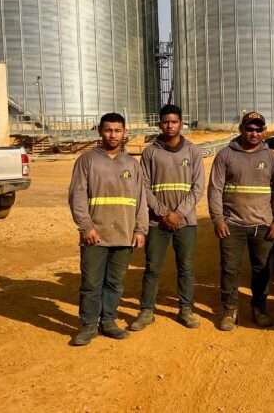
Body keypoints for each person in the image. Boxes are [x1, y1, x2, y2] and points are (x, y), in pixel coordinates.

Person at [67, 112, 148, 346]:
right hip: (95, 235)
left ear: (125, 133)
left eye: (117, 130)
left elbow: (140, 199)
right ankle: (89, 325)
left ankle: (109, 321)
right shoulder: (87, 160)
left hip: (124, 234)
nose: (113, 135)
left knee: (115, 282)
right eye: (108, 130)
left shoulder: (132, 164)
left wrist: (140, 229)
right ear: (100, 131)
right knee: (91, 282)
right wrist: (86, 227)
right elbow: (77, 196)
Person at [130, 104, 204, 332]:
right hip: (157, 221)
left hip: (186, 221)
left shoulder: (193, 151)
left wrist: (179, 213)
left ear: (181, 123)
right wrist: (163, 213)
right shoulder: (151, 152)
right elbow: (143, 186)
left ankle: (186, 309)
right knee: (152, 267)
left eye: (174, 121)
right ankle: (146, 311)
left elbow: (198, 186)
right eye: (165, 122)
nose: (170, 126)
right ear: (159, 124)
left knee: (186, 267)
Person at [208, 111, 274, 331]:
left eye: (258, 129)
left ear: (264, 131)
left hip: (263, 226)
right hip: (233, 225)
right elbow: (215, 189)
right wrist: (218, 219)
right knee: (230, 269)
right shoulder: (225, 155)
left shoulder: (271, 158)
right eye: (249, 128)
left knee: (262, 269)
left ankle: (259, 308)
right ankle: (230, 310)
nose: (254, 133)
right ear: (241, 129)